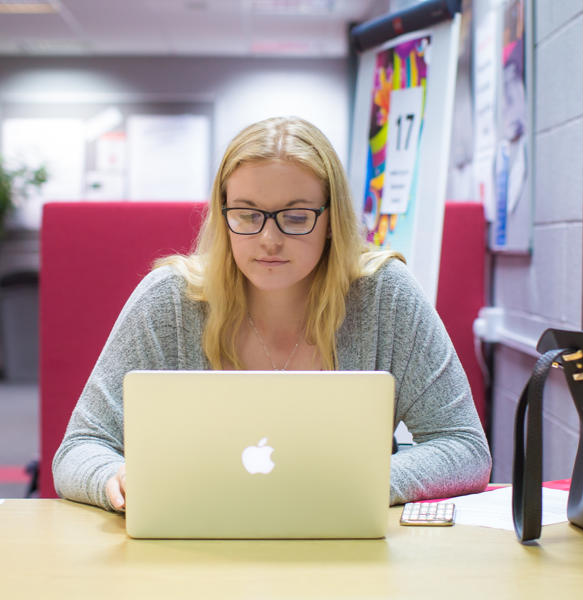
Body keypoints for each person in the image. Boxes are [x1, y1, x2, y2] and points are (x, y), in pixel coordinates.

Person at [52, 116, 492, 513]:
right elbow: (81, 447)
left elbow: (464, 446)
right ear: (223, 214)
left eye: (296, 217)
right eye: (247, 215)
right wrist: (113, 479)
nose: (269, 239)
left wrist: (360, 485)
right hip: (194, 541)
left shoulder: (383, 295)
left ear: (331, 219)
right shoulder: (171, 300)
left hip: (342, 544)